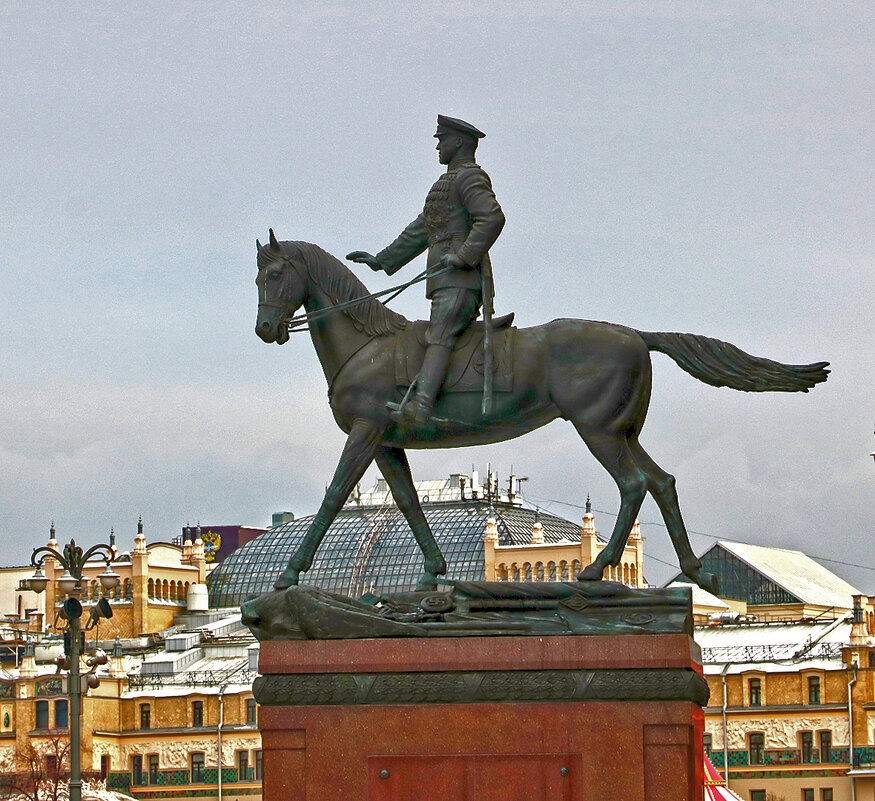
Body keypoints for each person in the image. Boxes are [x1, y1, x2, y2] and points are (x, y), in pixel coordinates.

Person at [347, 115, 505, 427]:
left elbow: (492, 217)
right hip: (444, 278)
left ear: (458, 142)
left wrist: (463, 255)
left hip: (461, 278)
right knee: (436, 333)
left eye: (441, 139)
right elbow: (423, 229)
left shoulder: (470, 177)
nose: (437, 145)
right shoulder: (448, 182)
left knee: (440, 334)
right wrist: (382, 260)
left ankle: (421, 407)